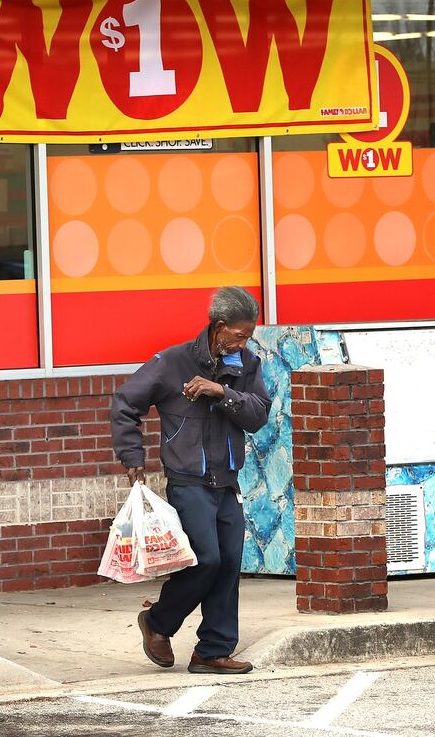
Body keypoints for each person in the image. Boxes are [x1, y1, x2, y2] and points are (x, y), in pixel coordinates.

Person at [111, 286, 272, 675]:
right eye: (238, 334)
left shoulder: (245, 364)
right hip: (187, 480)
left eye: (248, 334)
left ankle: (212, 651)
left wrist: (221, 391)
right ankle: (157, 623)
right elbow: (125, 403)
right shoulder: (173, 362)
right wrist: (133, 455)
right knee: (207, 559)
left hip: (226, 482)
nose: (244, 341)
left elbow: (258, 414)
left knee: (230, 562)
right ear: (218, 328)